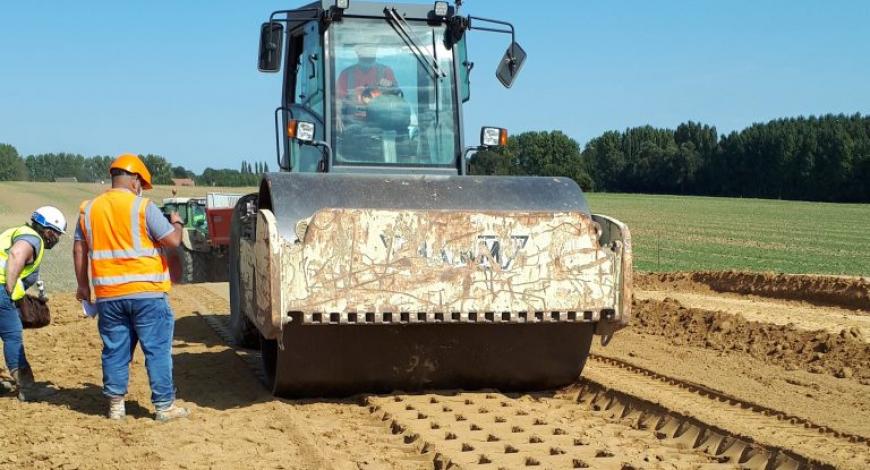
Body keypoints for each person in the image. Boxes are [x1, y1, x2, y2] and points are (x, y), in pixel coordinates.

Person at [73, 153, 190, 421]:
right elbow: (172, 241)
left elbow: (79, 249)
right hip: (147, 294)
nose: (141, 189)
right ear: (135, 179)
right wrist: (177, 223)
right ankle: (164, 407)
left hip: (108, 296)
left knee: (115, 349)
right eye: (142, 184)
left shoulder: (88, 210)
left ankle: (116, 406)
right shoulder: (142, 207)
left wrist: (83, 287)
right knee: (157, 350)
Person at [0, 205, 66, 401]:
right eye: (56, 233)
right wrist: (11, 290)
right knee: (13, 336)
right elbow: (16, 255)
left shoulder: (17, 231)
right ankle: (27, 387)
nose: (56, 238)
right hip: (0, 289)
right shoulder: (32, 238)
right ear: (47, 229)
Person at [336, 44, 399, 130]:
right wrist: (337, 115)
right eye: (364, 48)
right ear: (357, 51)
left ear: (376, 49)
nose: (369, 51)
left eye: (371, 47)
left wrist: (390, 88)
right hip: (352, 127)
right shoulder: (346, 75)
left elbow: (397, 99)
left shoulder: (386, 72)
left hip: (379, 127)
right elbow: (337, 100)